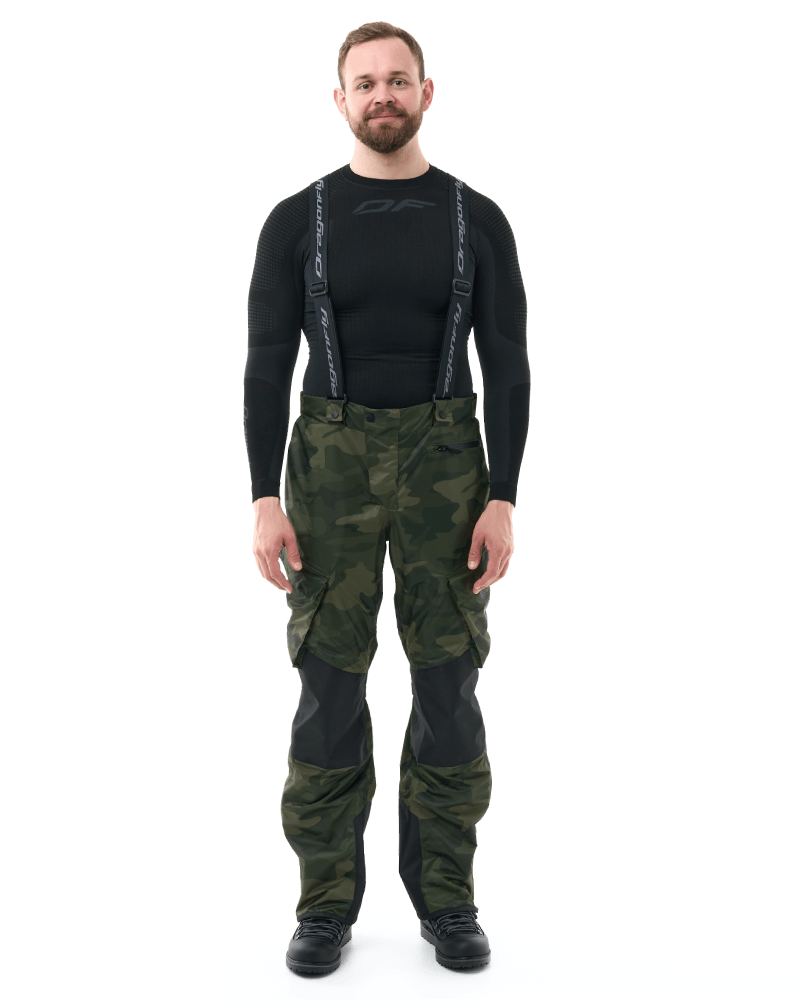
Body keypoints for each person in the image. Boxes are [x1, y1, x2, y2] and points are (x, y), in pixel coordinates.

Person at [245, 21, 530, 975]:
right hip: (326, 466)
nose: (382, 95)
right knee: (329, 684)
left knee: (448, 683)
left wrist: (503, 497)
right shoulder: (297, 220)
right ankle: (325, 904)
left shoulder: (478, 219)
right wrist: (262, 497)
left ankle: (447, 898)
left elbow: (509, 363)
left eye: (398, 80)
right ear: (340, 100)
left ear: (426, 92)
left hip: (449, 462)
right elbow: (264, 364)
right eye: (364, 82)